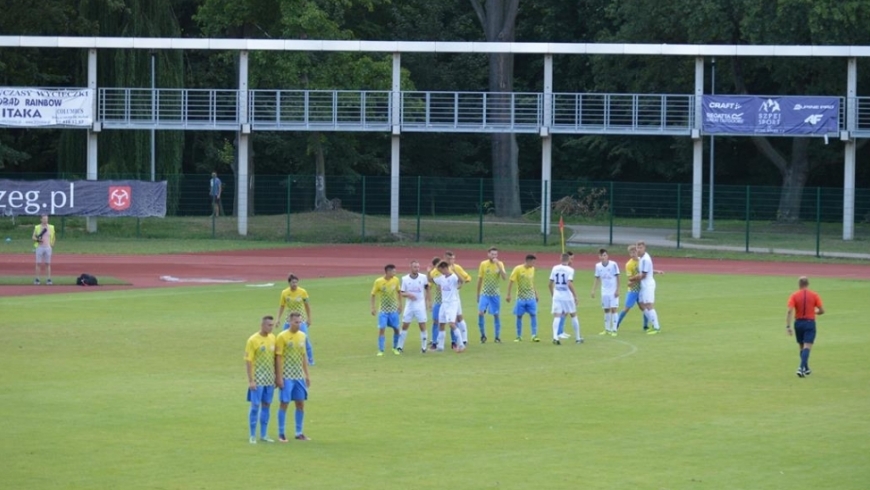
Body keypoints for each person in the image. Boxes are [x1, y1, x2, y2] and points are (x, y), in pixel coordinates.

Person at [275, 312, 312, 442]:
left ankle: (299, 432)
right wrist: (279, 377)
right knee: (284, 403)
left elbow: (303, 356)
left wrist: (307, 375)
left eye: (300, 322)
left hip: (298, 376)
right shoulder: (282, 337)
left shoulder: (302, 336)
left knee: (300, 404)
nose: (299, 324)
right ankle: (281, 433)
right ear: (290, 322)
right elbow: (278, 357)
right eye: (296, 322)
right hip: (286, 375)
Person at [244, 315, 277, 444]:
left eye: (272, 325)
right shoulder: (253, 340)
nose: (271, 327)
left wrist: (275, 376)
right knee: (255, 405)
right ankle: (252, 435)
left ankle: (264, 434)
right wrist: (251, 380)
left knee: (267, 405)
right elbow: (248, 361)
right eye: (269, 325)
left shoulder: (273, 338)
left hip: (269, 379)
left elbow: (275, 358)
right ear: (262, 325)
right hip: (257, 379)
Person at [616, 245, 663, 331]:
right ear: (629, 254)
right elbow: (630, 278)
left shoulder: (641, 260)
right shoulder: (629, 264)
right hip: (633, 289)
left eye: (634, 252)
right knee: (627, 308)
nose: (633, 254)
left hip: (642, 287)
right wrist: (632, 281)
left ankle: (646, 326)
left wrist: (657, 272)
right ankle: (616, 324)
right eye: (631, 252)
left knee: (643, 307)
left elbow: (647, 271)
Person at [786, 276, 825, 378]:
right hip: (809, 323)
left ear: (799, 284)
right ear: (808, 284)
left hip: (798, 323)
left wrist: (788, 326)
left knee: (801, 346)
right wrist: (815, 311)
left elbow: (790, 311)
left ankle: (806, 368)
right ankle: (801, 367)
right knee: (807, 346)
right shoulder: (814, 295)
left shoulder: (794, 295)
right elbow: (822, 310)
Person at [276, 274, 315, 365]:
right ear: (289, 283)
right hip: (289, 320)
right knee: (283, 339)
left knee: (305, 339)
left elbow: (307, 306)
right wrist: (278, 318)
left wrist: (309, 318)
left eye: (296, 282)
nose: (295, 284)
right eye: (293, 282)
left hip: (300, 320)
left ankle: (310, 360)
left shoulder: (302, 292)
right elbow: (282, 306)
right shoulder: (284, 293)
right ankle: (284, 359)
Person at [431, 260, 467, 352]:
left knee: (451, 324)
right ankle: (440, 347)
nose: (439, 271)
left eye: (440, 269)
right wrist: (429, 271)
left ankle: (461, 344)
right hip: (444, 304)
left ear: (445, 268)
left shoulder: (453, 277)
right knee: (441, 324)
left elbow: (462, 281)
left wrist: (455, 271)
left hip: (452, 303)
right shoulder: (441, 278)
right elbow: (431, 278)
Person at [398, 260, 430, 354]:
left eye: (418, 267)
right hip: (409, 306)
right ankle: (400, 346)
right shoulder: (405, 279)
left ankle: (424, 347)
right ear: (410, 267)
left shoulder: (423, 277)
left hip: (420, 306)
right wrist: (408, 294)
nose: (417, 269)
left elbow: (428, 289)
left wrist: (427, 301)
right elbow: (402, 292)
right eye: (415, 267)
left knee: (422, 325)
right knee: (405, 325)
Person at [477, 247, 508, 343]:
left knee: (496, 314)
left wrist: (498, 265)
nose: (494, 256)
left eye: (496, 254)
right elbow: (480, 279)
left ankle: (497, 337)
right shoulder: (483, 264)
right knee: (481, 312)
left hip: (495, 294)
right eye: (492, 254)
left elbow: (504, 278)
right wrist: (477, 294)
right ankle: (482, 335)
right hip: (485, 293)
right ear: (488, 254)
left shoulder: (500, 264)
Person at [549, 253, 582, 345]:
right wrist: (575, 296)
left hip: (557, 295)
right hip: (567, 295)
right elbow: (569, 283)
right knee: (573, 315)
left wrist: (553, 295)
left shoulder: (554, 268)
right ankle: (578, 338)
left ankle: (555, 337)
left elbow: (550, 284)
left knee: (557, 316)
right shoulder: (570, 270)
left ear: (560, 258)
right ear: (569, 260)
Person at [371, 264, 403, 356]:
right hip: (383, 310)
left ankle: (395, 348)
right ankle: (381, 350)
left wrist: (400, 305)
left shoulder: (396, 280)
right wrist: (373, 307)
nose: (395, 273)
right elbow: (373, 294)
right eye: (393, 271)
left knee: (396, 329)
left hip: (393, 309)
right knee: (382, 329)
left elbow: (399, 292)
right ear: (388, 272)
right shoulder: (378, 282)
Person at [505, 254, 539, 342]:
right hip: (520, 297)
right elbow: (511, 281)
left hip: (531, 297)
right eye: (533, 262)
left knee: (533, 315)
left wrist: (536, 293)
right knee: (519, 316)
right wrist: (508, 294)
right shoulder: (518, 269)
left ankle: (534, 335)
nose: (534, 264)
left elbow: (532, 282)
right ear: (528, 261)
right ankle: (518, 336)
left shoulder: (532, 269)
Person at [632, 241, 661, 335]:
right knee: (641, 304)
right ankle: (653, 324)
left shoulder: (645, 259)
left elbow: (643, 275)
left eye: (641, 247)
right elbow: (649, 270)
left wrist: (632, 279)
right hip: (643, 285)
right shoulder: (642, 258)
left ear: (644, 248)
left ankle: (656, 327)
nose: (639, 249)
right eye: (638, 247)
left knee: (649, 305)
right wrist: (657, 271)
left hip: (648, 285)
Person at [591, 248, 620, 336]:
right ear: (599, 257)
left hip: (613, 290)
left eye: (605, 255)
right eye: (601, 255)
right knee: (606, 310)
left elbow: (618, 276)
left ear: (607, 256)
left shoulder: (613, 264)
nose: (603, 257)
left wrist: (618, 289)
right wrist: (593, 290)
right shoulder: (598, 266)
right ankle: (607, 329)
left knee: (614, 309)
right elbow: (597, 278)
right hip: (604, 291)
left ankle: (614, 329)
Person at [31, 214, 56, 285]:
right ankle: (37, 278)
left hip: (48, 247)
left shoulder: (51, 227)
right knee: (38, 263)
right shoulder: (37, 227)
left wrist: (52, 244)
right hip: (40, 247)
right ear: (41, 219)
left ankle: (48, 278)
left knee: (48, 263)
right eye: (44, 219)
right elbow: (33, 237)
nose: (45, 220)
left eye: (46, 219)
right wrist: (38, 240)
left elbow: (53, 237)